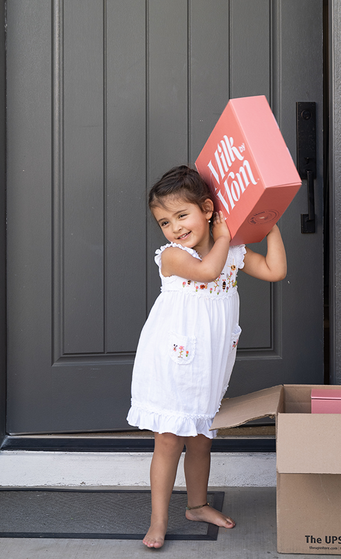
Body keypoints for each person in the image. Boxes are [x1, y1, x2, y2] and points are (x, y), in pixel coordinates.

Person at [127, 165, 287, 548]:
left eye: (182, 215)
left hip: (208, 363)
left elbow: (275, 270)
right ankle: (158, 521)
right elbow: (209, 272)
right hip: (172, 360)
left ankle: (197, 505)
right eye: (165, 222)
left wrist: (270, 227)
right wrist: (227, 235)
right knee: (168, 438)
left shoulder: (231, 251)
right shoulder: (172, 256)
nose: (175, 228)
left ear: (208, 209)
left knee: (200, 436)